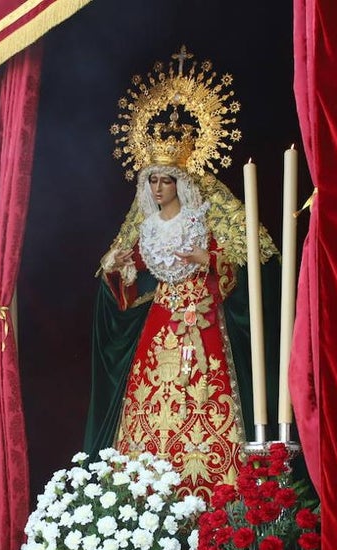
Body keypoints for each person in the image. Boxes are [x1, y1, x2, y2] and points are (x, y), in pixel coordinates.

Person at [92, 50, 277, 500]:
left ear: (182, 182)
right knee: (150, 405)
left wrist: (208, 261)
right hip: (160, 326)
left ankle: (220, 494)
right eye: (152, 180)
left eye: (166, 180)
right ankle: (147, 500)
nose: (157, 189)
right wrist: (120, 270)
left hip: (204, 321)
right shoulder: (147, 226)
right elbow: (132, 283)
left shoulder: (206, 217)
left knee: (206, 399)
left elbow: (251, 258)